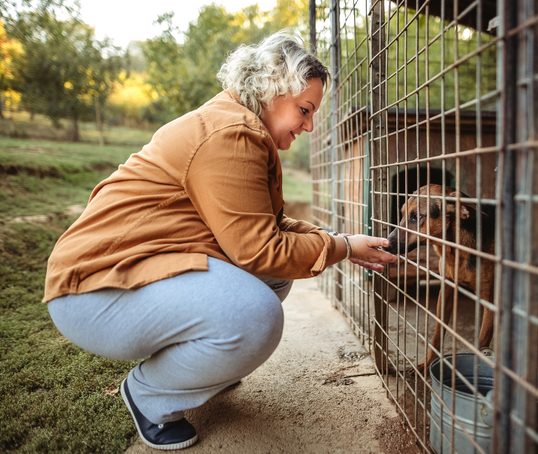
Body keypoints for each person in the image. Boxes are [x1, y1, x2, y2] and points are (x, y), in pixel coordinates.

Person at [43, 32, 397, 451]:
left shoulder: (237, 124)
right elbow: (261, 250)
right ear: (271, 88)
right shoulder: (231, 133)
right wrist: (342, 248)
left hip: (124, 276)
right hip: (92, 292)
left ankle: (206, 370)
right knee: (255, 314)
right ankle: (149, 394)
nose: (309, 125)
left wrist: (338, 240)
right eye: (304, 110)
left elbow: (270, 227)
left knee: (273, 279)